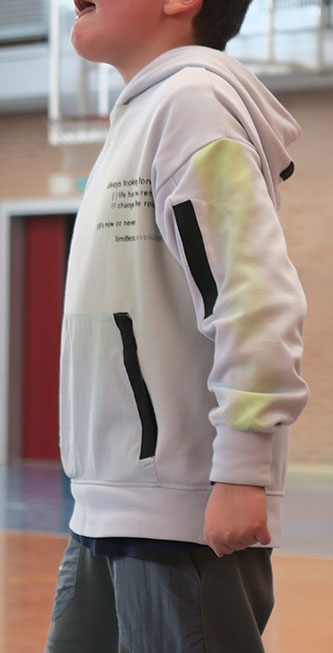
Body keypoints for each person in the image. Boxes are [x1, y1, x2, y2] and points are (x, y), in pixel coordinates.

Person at [46, 1, 308, 651]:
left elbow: (254, 300)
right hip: (105, 509)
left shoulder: (194, 104)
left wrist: (241, 469)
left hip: (181, 519)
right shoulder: (140, 116)